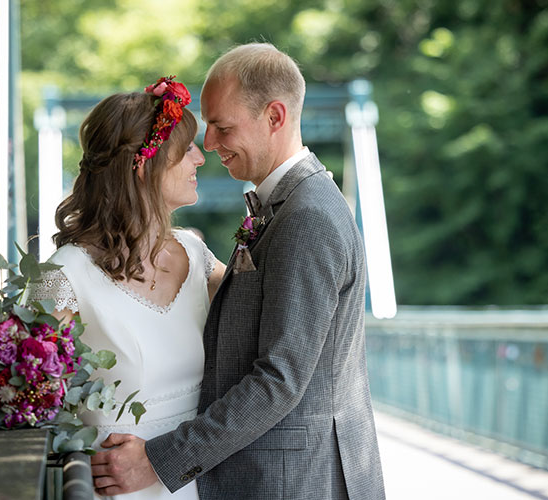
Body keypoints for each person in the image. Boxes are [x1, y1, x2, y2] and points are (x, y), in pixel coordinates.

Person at [90, 43, 386, 499]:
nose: (207, 144)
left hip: (296, 483)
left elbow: (279, 380)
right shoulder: (288, 206)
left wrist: (158, 460)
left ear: (274, 117)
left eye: (221, 127)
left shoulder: (307, 216)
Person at [29, 76, 225, 500]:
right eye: (186, 148)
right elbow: (26, 393)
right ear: (144, 164)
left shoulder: (198, 256)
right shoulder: (58, 274)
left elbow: (274, 319)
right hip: (114, 488)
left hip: (201, 481)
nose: (200, 158)